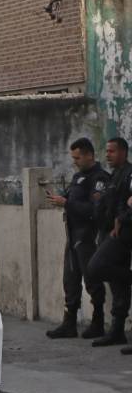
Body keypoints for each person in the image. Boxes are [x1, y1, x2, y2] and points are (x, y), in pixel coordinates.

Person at [46, 138, 110, 339]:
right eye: (73, 158)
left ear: (89, 155)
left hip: (88, 236)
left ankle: (98, 322)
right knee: (70, 279)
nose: (75, 161)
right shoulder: (77, 177)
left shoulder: (100, 179)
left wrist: (66, 203)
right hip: (73, 234)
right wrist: (61, 200)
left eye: (77, 157)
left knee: (92, 279)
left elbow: (94, 211)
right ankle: (69, 323)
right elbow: (71, 200)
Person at [86, 137, 132, 347]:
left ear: (123, 152)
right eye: (107, 151)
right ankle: (117, 330)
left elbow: (127, 204)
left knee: (95, 269)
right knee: (118, 285)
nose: (108, 155)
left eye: (112, 151)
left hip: (121, 234)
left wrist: (120, 220)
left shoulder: (129, 174)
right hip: (108, 232)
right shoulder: (114, 176)